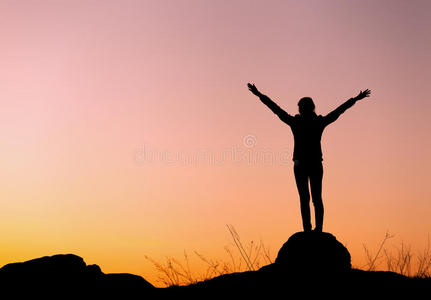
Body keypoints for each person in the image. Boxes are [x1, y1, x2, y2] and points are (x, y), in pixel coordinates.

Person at [247, 83, 371, 232]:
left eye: (301, 107)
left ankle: (312, 229)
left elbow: (276, 110)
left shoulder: (302, 122)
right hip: (309, 164)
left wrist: (259, 94)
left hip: (305, 165)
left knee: (309, 199)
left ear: (303, 108)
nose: (300, 109)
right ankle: (314, 229)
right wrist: (356, 99)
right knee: (313, 198)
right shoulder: (314, 122)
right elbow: (339, 111)